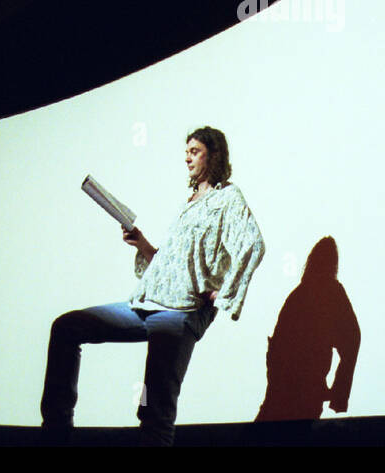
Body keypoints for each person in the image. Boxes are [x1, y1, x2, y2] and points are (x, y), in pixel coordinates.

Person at [40, 126, 265, 445]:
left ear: (214, 156)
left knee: (153, 408)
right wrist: (143, 245)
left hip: (180, 314)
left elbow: (252, 243)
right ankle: (56, 433)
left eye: (195, 151)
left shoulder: (227, 197)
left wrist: (223, 291)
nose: (187, 157)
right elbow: (173, 265)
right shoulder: (189, 202)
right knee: (66, 327)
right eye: (186, 150)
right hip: (148, 304)